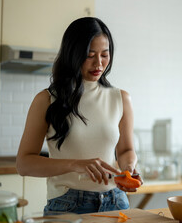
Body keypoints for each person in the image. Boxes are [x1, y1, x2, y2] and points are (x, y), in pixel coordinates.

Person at [16, 17, 142, 215]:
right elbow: (24, 164)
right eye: (90, 55)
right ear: (72, 54)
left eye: (104, 55)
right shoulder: (46, 100)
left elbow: (126, 150)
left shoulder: (121, 98)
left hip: (116, 202)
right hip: (68, 204)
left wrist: (129, 168)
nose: (99, 63)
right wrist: (75, 165)